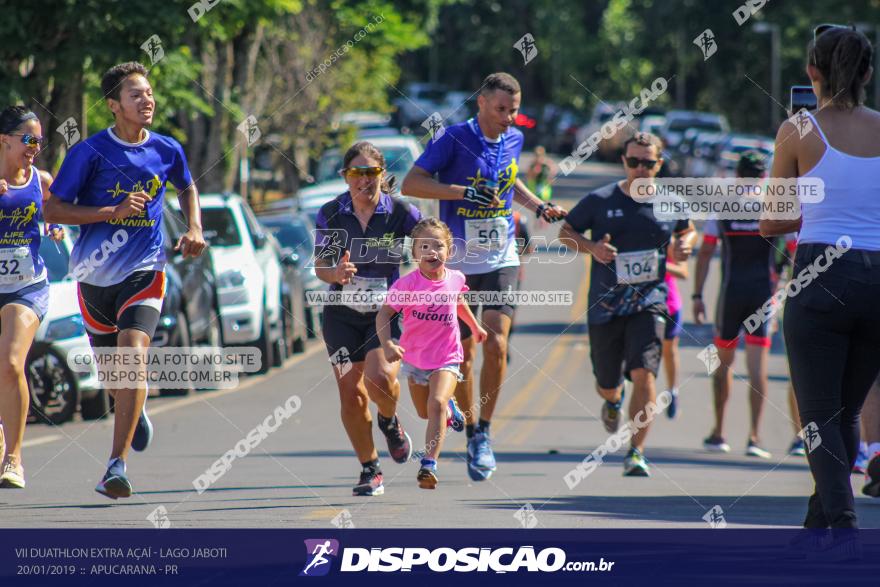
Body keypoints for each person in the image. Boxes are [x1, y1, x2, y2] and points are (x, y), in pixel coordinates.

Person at [45, 62, 206, 499]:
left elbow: (186, 186)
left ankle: (116, 465)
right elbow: (54, 211)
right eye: (136, 95)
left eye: (149, 93)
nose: (147, 100)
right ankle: (133, 409)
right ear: (114, 105)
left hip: (146, 269)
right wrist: (110, 214)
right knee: (113, 375)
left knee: (132, 354)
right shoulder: (89, 153)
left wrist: (194, 228)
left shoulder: (167, 148)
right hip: (93, 274)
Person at [402, 72, 566, 481]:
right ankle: (470, 424)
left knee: (495, 341)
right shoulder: (453, 138)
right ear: (481, 104)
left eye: (514, 110)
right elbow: (412, 183)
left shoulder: (514, 139)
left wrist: (537, 205)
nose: (510, 118)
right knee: (466, 354)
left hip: (501, 256)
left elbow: (511, 184)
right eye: (501, 109)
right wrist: (461, 193)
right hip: (458, 264)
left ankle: (483, 435)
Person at [760, 25, 880, 533]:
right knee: (847, 413)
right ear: (868, 74)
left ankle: (841, 517)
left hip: (821, 273)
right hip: (877, 279)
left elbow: (772, 220)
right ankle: (821, 521)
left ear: (813, 74)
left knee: (817, 417)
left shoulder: (799, 129)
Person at [559, 132, 695, 476]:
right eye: (633, 162)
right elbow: (565, 233)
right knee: (607, 381)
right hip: (605, 306)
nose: (640, 169)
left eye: (648, 163)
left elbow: (687, 230)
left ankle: (636, 451)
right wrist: (592, 248)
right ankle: (612, 400)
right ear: (624, 162)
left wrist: (684, 245)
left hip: (649, 301)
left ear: (659, 165)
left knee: (645, 374)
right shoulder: (600, 200)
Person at [314, 141, 420, 496]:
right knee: (351, 394)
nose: (364, 180)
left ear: (381, 174)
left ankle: (389, 421)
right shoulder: (332, 214)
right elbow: (321, 266)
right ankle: (370, 468)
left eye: (371, 172)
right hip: (341, 317)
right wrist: (336, 273)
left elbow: (430, 242)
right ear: (345, 177)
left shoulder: (401, 212)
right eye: (356, 173)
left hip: (384, 313)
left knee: (379, 380)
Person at [377, 218, 487, 489]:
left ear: (448, 251)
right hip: (415, 359)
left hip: (447, 355)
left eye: (438, 246)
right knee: (426, 413)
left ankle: (429, 464)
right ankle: (449, 410)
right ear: (414, 254)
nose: (431, 252)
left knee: (435, 403)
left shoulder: (455, 278)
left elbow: (458, 301)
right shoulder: (406, 285)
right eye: (423, 246)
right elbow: (384, 314)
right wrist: (388, 343)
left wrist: (474, 326)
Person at [692, 151, 776, 459]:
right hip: (762, 294)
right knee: (758, 368)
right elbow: (795, 250)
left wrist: (697, 295)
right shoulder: (773, 206)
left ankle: (718, 432)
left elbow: (705, 253)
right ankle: (755, 437)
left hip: (730, 294)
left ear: (737, 175)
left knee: (723, 366)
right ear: (764, 176)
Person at [0, 106, 64, 488]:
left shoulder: (40, 180)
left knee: (10, 363)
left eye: (39, 140)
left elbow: (54, 212)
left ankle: (14, 458)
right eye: (28, 139)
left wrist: (55, 227)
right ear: (4, 140)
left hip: (27, 286)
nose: (35, 147)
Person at [662, 244, 687, 419]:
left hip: (669, 305)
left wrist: (657, 264)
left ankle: (672, 392)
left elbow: (683, 271)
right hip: (637, 306)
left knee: (669, 351)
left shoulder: (668, 239)